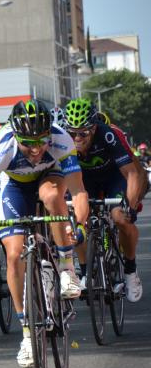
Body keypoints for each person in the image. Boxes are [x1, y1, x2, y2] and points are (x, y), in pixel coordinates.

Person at [0, 99, 88, 368]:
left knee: (51, 195)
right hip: (15, 186)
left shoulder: (61, 139)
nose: (35, 149)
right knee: (13, 254)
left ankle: (67, 268)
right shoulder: (1, 148)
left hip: (50, 176)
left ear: (50, 135)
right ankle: (26, 334)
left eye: (41, 141)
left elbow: (78, 191)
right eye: (28, 143)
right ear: (15, 136)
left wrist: (79, 225)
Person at [62, 98, 143, 302]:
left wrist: (130, 207)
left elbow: (132, 174)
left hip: (112, 179)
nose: (77, 138)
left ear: (94, 127)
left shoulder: (108, 135)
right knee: (76, 222)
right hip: (84, 182)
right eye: (73, 133)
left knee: (120, 218)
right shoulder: (63, 141)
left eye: (83, 133)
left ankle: (131, 272)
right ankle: (84, 272)